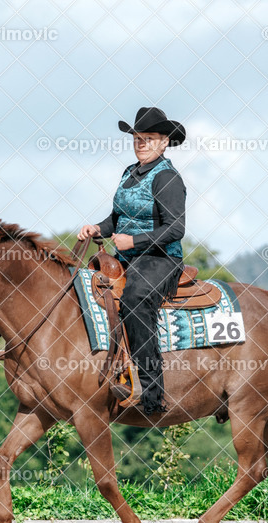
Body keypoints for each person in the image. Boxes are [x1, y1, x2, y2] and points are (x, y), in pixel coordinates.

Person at [78, 106, 186, 415]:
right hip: (126, 257)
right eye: (137, 138)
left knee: (135, 299)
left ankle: (150, 393)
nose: (141, 143)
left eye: (148, 138)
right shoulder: (129, 172)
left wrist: (134, 242)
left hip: (160, 258)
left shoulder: (167, 177)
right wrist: (98, 228)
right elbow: (117, 218)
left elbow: (176, 228)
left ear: (164, 142)